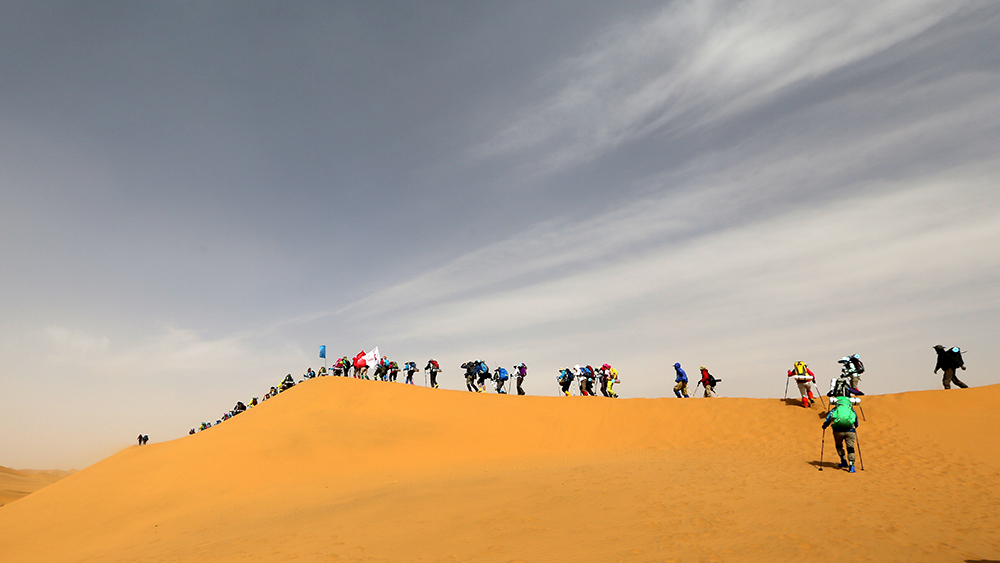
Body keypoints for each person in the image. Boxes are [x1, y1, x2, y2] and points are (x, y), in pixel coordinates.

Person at [822, 396, 860, 473]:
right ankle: (851, 465)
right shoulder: (851, 410)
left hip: (837, 431)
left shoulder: (834, 409)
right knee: (850, 448)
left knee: (839, 446)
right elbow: (856, 422)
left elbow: (828, 419)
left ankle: (843, 461)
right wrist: (854, 427)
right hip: (850, 431)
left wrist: (824, 426)